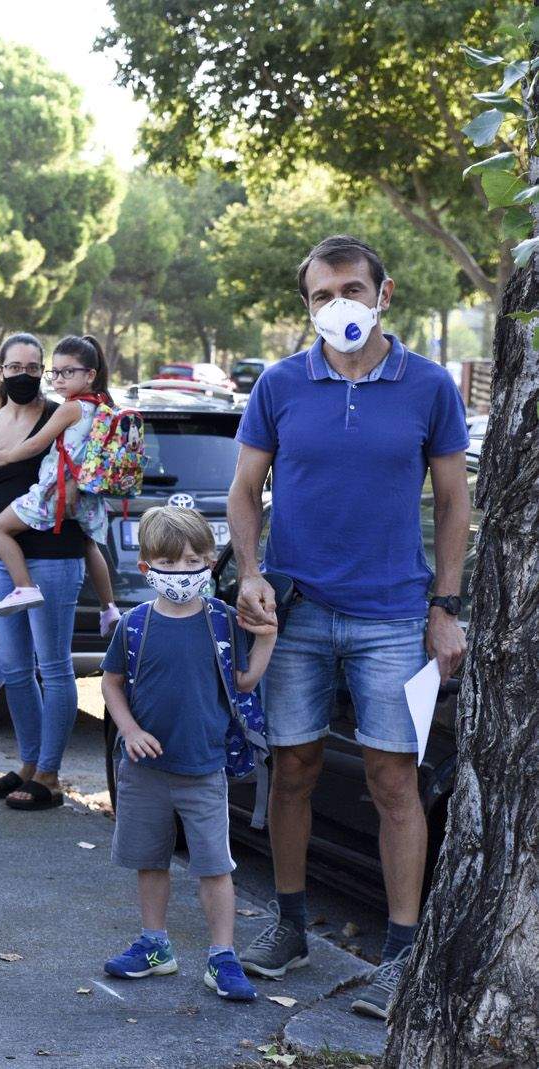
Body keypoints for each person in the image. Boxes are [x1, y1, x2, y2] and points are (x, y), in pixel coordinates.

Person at [228, 235, 469, 1020]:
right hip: (295, 612)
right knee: (291, 769)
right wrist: (253, 573)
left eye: (352, 289)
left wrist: (446, 607)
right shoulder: (280, 383)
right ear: (306, 305)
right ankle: (290, 924)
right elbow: (243, 493)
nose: (339, 307)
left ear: (384, 293)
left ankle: (402, 954)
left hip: (395, 617)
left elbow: (455, 502)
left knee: (394, 779)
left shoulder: (429, 385)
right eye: (321, 295)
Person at [99, 506, 276, 1002]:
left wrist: (267, 638)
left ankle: (223, 956)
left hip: (203, 768)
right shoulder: (134, 625)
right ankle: (155, 946)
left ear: (210, 560)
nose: (185, 573)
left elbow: (243, 682)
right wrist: (129, 729)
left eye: (196, 561)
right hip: (144, 771)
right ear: (147, 568)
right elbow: (111, 684)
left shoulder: (222, 621)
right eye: (172, 565)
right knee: (149, 859)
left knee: (215, 866)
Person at [0, 333, 90, 811]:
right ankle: (29, 763)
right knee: (12, 669)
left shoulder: (61, 415)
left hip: (54, 555)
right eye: (14, 367)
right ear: (0, 368)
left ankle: (50, 775)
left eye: (35, 367)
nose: (25, 375)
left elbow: (80, 479)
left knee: (52, 666)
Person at [0, 334, 120, 631]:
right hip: (87, 494)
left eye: (67, 372)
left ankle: (24, 586)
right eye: (54, 372)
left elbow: (36, 443)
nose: (57, 379)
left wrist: (7, 456)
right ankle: (108, 608)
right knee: (90, 546)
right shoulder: (102, 405)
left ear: (90, 375)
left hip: (52, 491)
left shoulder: (69, 408)